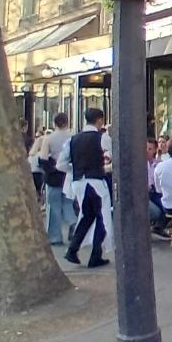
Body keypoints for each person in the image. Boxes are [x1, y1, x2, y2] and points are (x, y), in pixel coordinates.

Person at [61, 108, 114, 268]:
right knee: (102, 217)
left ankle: (72, 250)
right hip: (96, 181)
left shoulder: (72, 140)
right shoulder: (102, 138)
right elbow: (112, 158)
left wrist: (77, 169)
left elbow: (61, 164)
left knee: (87, 216)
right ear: (99, 120)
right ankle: (95, 255)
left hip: (78, 182)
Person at [39, 113, 75, 245]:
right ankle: (73, 222)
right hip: (68, 174)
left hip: (53, 176)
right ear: (67, 122)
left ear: (54, 123)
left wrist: (51, 169)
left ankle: (55, 236)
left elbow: (43, 158)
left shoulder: (48, 139)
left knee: (53, 206)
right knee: (68, 203)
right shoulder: (72, 137)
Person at [146, 137, 165, 232]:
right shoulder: (138, 163)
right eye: (145, 148)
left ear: (154, 150)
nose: (146, 151)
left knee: (166, 205)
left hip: (155, 192)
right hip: (144, 193)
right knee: (156, 211)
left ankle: (159, 227)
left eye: (150, 149)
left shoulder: (159, 164)